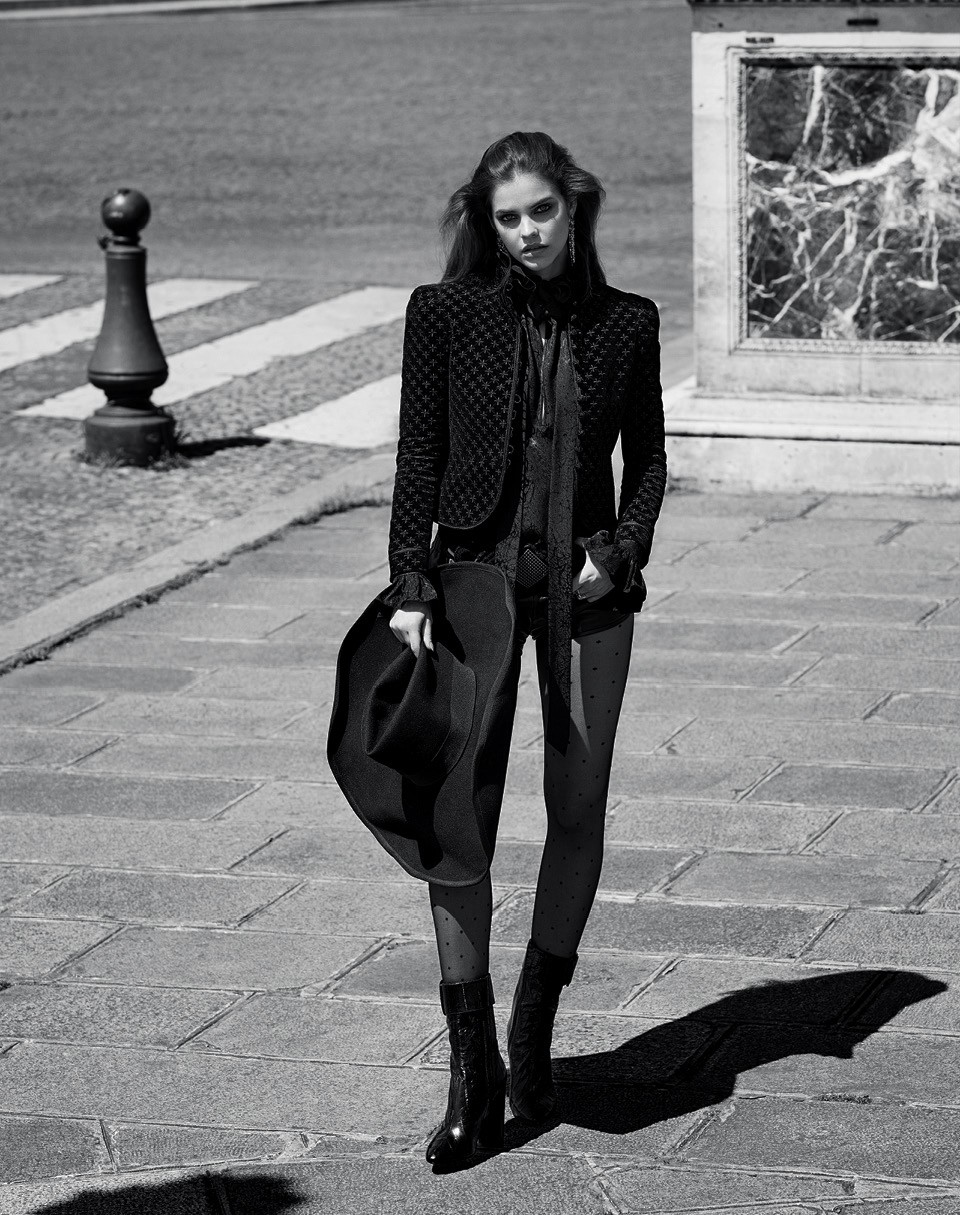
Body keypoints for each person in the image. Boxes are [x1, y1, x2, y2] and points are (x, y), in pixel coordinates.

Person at [378, 130, 667, 1168]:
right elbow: (418, 452)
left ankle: (533, 1033)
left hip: (587, 601)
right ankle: (474, 1072)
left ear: (572, 206)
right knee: (456, 824)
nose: (529, 231)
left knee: (577, 807)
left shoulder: (628, 322)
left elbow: (649, 462)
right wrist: (410, 581)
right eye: (509, 218)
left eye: (542, 210)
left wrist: (618, 551)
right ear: (487, 225)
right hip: (472, 591)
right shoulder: (445, 313)